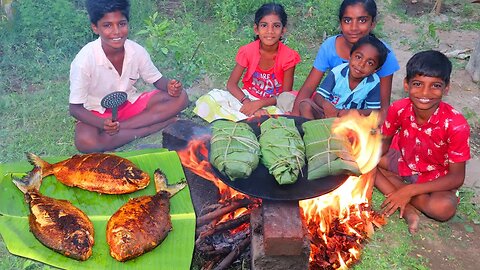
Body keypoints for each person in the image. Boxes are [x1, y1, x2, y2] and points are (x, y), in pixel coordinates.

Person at [69, 0, 188, 153]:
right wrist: (102, 124)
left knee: (182, 97)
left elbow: (158, 81)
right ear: (95, 27)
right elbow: (75, 108)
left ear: (128, 23)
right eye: (107, 25)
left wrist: (170, 87)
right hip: (97, 112)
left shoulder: (136, 51)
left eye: (121, 24)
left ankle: (123, 128)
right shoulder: (84, 61)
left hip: (129, 104)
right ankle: (149, 128)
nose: (116, 31)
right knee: (86, 142)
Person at [375, 50, 471, 234]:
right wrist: (367, 161)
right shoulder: (399, 108)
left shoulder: (456, 124)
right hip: (402, 162)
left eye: (435, 86)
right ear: (406, 84)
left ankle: (400, 190)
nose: (425, 93)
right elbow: (384, 143)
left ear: (447, 88)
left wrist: (410, 190)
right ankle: (408, 207)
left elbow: (456, 178)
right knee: (363, 161)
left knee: (443, 209)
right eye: (418, 84)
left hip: (436, 177)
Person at [291, 0, 399, 123]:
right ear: (340, 23)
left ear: (372, 23)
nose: (354, 28)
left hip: (356, 118)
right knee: (302, 104)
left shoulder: (384, 54)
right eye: (347, 20)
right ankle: (313, 133)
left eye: (362, 20)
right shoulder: (330, 46)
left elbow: (383, 107)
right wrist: (295, 118)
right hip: (328, 111)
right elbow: (308, 89)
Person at [194, 2, 301, 123]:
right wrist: (248, 103)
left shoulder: (288, 56)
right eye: (264, 25)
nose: (270, 31)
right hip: (247, 98)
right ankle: (249, 120)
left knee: (283, 116)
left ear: (283, 30)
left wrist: (260, 104)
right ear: (256, 29)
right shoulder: (247, 51)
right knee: (209, 100)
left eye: (276, 26)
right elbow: (231, 84)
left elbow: (284, 96)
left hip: (272, 103)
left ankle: (243, 121)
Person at [298, 35, 388, 119]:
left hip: (349, 122)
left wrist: (351, 113)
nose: (361, 64)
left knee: (370, 125)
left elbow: (374, 111)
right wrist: (326, 105)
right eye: (358, 57)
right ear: (350, 56)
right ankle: (312, 131)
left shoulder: (373, 83)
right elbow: (318, 97)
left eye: (370, 63)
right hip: (327, 114)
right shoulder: (337, 72)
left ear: (375, 70)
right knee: (305, 104)